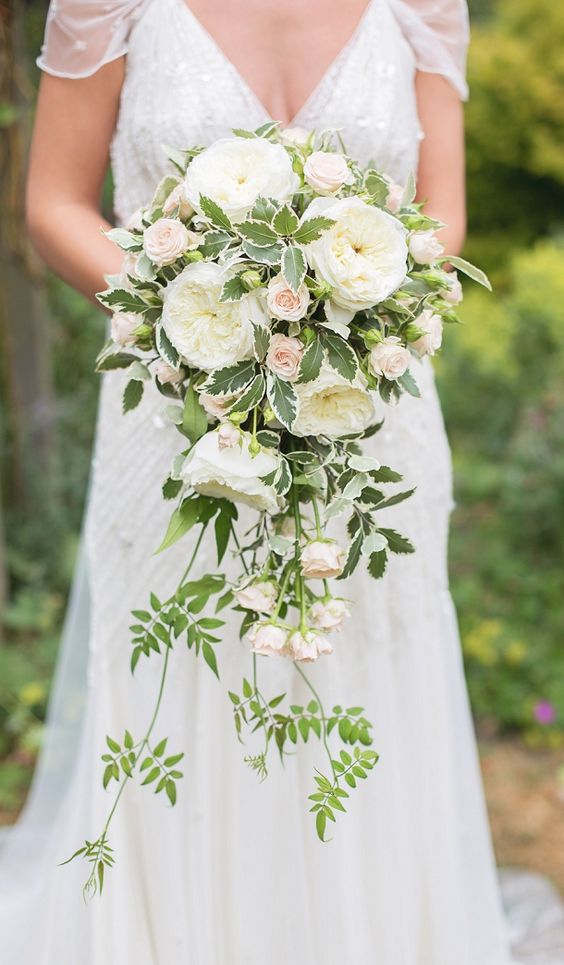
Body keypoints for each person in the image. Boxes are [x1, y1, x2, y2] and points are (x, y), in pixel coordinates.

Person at [0, 1, 517, 962]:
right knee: (185, 678)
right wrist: (196, 313)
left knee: (360, 676)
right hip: (172, 411)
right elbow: (54, 203)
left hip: (372, 418)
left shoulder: (422, 6)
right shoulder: (109, 4)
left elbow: (442, 214)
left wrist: (343, 305)